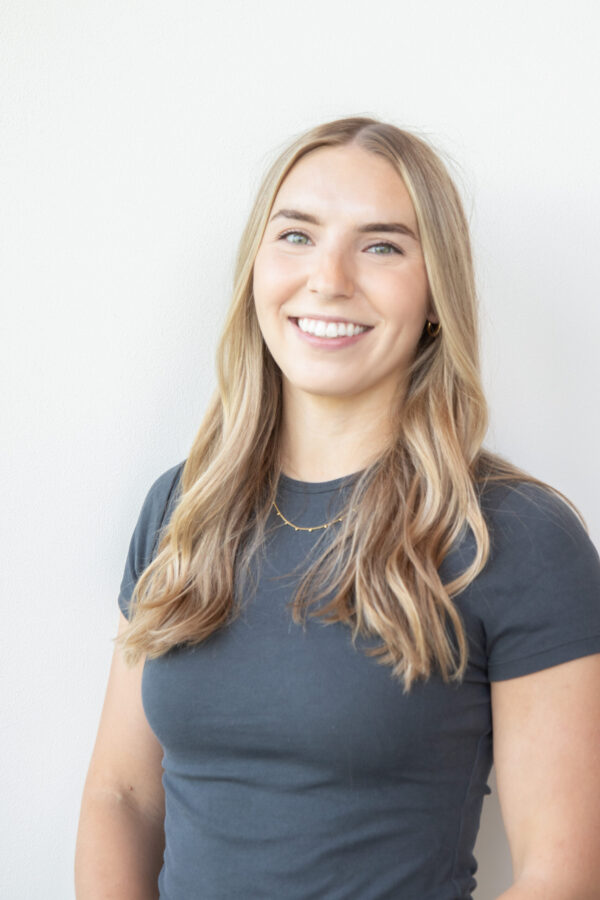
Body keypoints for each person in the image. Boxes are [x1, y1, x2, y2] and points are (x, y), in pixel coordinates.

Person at [74, 116, 600, 899]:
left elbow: (565, 872)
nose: (329, 278)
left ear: (434, 295)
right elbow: (121, 795)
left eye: (382, 245)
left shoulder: (514, 535)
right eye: (296, 236)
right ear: (257, 267)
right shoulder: (183, 506)